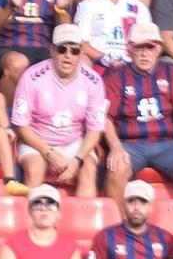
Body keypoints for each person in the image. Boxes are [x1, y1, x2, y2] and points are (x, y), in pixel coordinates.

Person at [102, 22, 173, 204]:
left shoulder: (171, 72)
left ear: (158, 48)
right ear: (129, 49)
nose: (144, 53)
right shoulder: (115, 76)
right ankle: (119, 228)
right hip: (130, 144)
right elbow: (105, 117)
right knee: (116, 171)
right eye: (139, 47)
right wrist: (115, 147)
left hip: (165, 144)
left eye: (150, 47)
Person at [11, 23, 110, 192]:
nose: (68, 55)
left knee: (89, 168)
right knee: (35, 169)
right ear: (52, 50)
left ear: (81, 53)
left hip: (73, 141)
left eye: (75, 50)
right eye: (62, 49)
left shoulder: (93, 81)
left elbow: (95, 128)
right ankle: (31, 217)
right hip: (38, 140)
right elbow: (21, 125)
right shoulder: (31, 77)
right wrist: (47, 152)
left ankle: (84, 217)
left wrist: (77, 159)